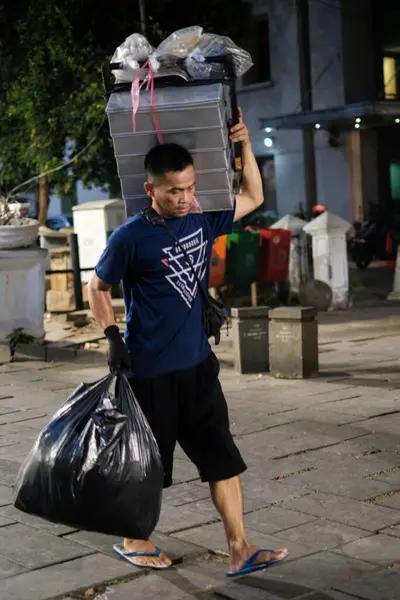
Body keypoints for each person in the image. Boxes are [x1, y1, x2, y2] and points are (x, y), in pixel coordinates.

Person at [88, 109, 288, 578]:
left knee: (222, 457)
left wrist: (244, 144)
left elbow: (253, 195)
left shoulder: (202, 221)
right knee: (149, 467)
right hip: (150, 371)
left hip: (198, 366)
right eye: (173, 190)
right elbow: (97, 287)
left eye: (189, 188)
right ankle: (134, 540)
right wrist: (113, 336)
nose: (184, 198)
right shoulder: (130, 238)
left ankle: (241, 547)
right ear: (151, 188)